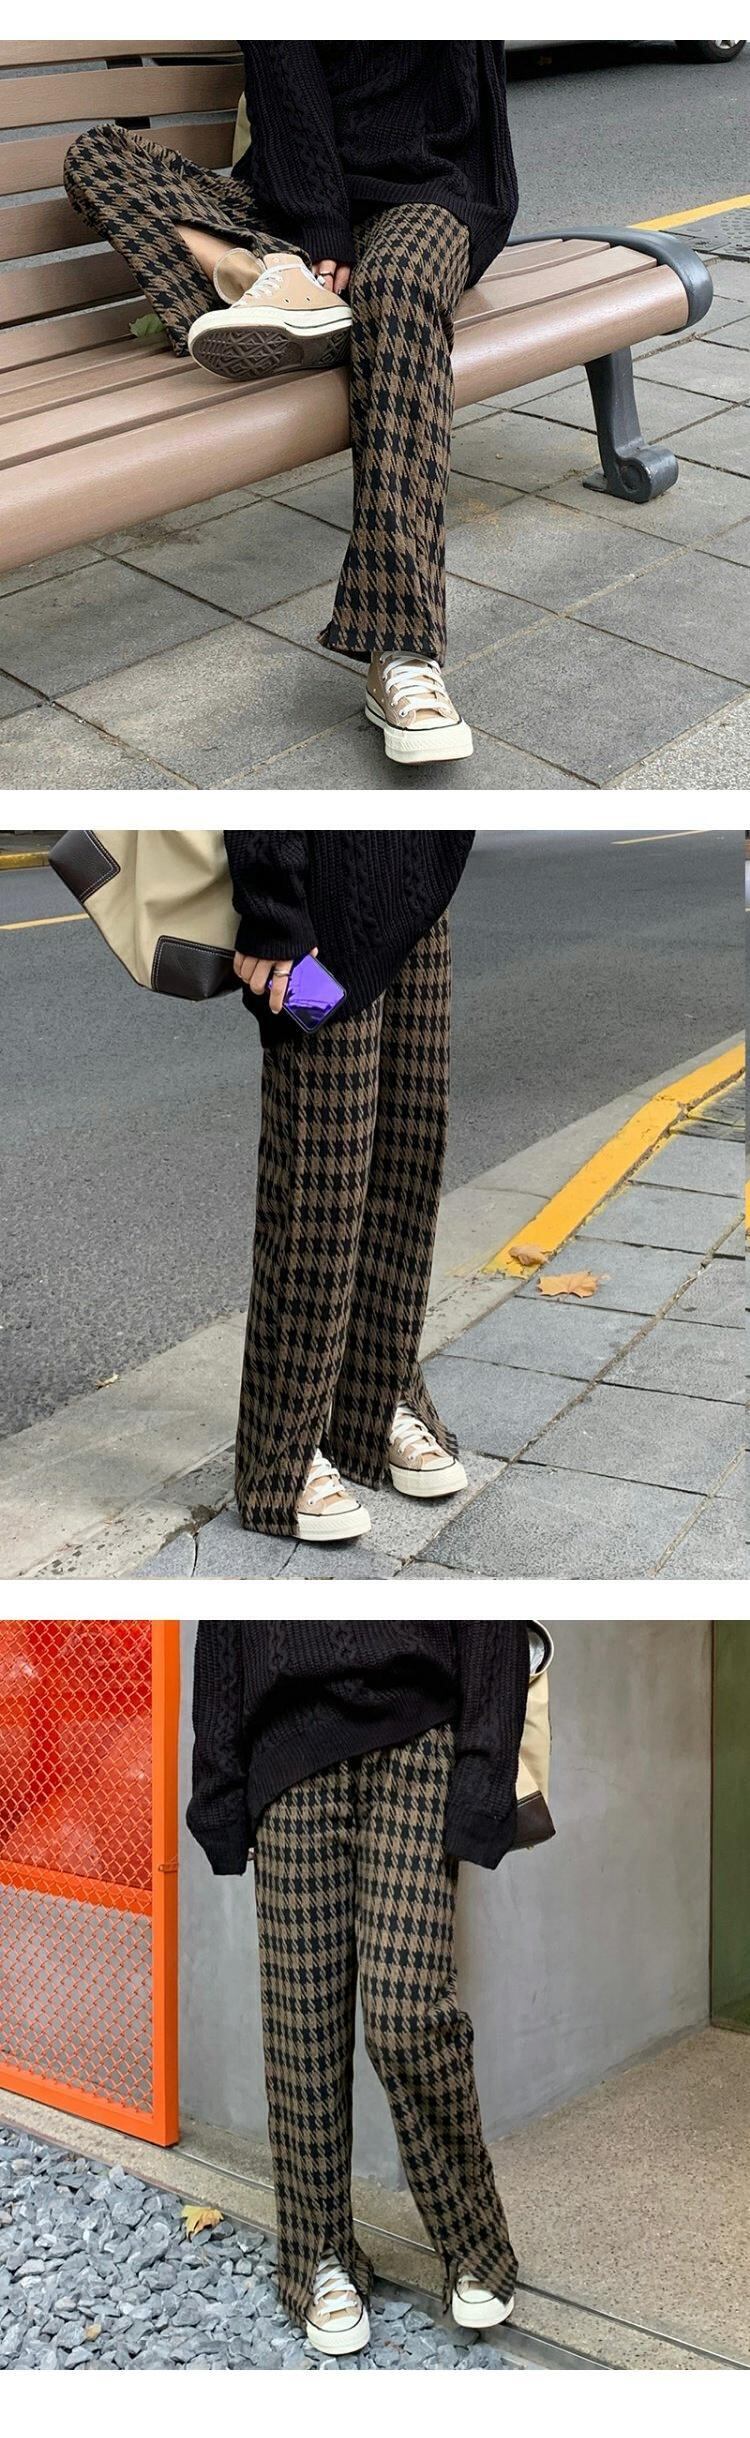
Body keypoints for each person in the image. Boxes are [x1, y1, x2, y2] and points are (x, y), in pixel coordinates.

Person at [62, 42, 519, 767]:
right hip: (292, 204)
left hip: (427, 196)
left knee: (397, 291)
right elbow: (287, 89)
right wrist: (319, 227)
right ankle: (266, 277)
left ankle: (401, 646)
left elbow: (477, 120)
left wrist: (460, 221)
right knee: (97, 157)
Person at [187, 1621, 531, 2357]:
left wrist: (484, 1775)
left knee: (409, 2018)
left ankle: (474, 2242)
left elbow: (491, 1617)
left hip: (419, 1740)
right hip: (287, 1753)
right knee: (301, 2029)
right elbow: (222, 1629)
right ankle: (320, 2254)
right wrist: (218, 1789)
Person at [223, 828, 474, 1546]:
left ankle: (376, 1399)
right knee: (319, 1190)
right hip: (317, 912)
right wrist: (273, 906)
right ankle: (283, 1455)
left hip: (420, 892)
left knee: (408, 1154)